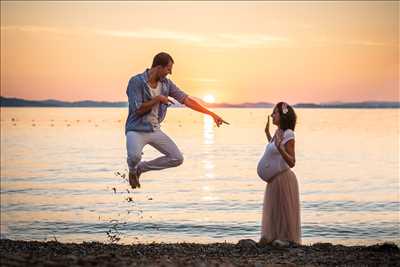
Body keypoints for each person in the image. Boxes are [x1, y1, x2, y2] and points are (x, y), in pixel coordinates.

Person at [125, 52, 228, 189]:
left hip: (154, 129)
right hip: (136, 130)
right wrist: (158, 99)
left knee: (177, 158)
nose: (170, 72)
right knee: (134, 157)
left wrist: (211, 114)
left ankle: (140, 169)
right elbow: (137, 109)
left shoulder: (166, 84)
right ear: (159, 67)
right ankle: (132, 170)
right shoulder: (136, 82)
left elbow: (187, 100)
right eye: (168, 69)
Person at [258, 102, 301, 245]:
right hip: (274, 179)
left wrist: (281, 149)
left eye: (275, 113)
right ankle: (273, 237)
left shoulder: (289, 134)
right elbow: (274, 150)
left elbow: (292, 162)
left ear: (282, 116)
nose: (272, 115)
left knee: (283, 211)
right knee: (275, 211)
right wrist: (267, 134)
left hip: (283, 179)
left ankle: (285, 239)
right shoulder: (277, 133)